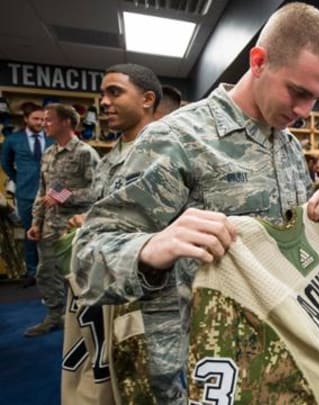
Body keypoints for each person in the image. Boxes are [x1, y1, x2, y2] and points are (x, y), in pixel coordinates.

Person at [72, 3, 319, 403]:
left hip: (270, 361)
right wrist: (150, 248)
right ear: (258, 61)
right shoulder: (176, 139)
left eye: (316, 99)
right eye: (298, 92)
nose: (305, 112)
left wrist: (316, 219)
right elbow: (88, 259)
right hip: (190, 372)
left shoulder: (286, 146)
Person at [62, 63, 169, 405]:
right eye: (102, 93)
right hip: (108, 283)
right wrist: (87, 220)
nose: (103, 102)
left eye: (115, 92)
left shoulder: (170, 151)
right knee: (108, 378)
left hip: (151, 294)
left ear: (147, 99)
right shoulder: (111, 159)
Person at [25, 103, 99, 337]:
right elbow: (42, 191)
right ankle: (55, 317)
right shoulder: (48, 153)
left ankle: (87, 321)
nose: (44, 124)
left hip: (75, 229)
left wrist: (62, 197)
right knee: (46, 274)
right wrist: (35, 222)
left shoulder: (85, 153)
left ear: (65, 122)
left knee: (80, 277)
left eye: (49, 120)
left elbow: (99, 191)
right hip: (49, 226)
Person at [1, 103, 54, 287]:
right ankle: (32, 272)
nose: (40, 122)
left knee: (50, 233)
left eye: (43, 119)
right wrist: (19, 180)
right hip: (25, 195)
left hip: (50, 195)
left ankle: (51, 272)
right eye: (36, 119)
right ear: (26, 119)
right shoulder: (13, 140)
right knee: (30, 234)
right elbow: (6, 163)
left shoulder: (52, 139)